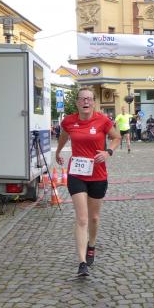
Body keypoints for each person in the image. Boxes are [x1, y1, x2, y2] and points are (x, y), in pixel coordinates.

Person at [56, 88, 121, 277]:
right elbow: (64, 136)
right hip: (76, 174)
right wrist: (58, 151)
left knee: (94, 218)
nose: (86, 102)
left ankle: (91, 245)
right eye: (82, 99)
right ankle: (82, 262)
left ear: (93, 102)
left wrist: (108, 152)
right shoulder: (69, 121)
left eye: (89, 99)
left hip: (98, 175)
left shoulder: (103, 120)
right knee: (82, 218)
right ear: (77, 102)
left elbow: (116, 137)